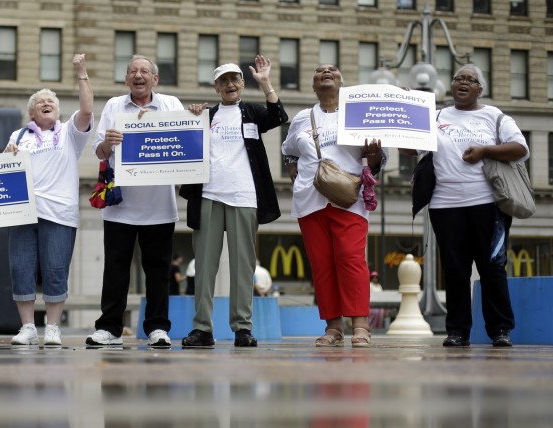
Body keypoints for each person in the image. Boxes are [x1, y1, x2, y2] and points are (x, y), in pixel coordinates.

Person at [408, 64, 526, 348]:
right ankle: (458, 331)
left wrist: (485, 150)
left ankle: (500, 330)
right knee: (455, 270)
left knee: (492, 269)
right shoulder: (436, 116)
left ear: (479, 89)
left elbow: (521, 148)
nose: (463, 82)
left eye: (470, 79)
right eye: (458, 78)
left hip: (488, 205)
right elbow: (410, 149)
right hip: (444, 206)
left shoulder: (493, 116)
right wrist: (405, 115)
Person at [180, 57, 287, 348]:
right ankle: (202, 328)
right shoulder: (206, 115)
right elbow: (184, 143)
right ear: (215, 87)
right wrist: (191, 118)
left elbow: (278, 117)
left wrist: (265, 83)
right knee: (203, 267)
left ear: (242, 84)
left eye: (234, 80)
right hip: (208, 196)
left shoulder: (252, 111)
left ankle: (242, 328)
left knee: (243, 267)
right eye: (223, 81)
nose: (229, 85)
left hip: (244, 196)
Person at [281, 64, 384, 348]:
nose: (326, 72)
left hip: (348, 198)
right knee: (322, 265)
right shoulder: (302, 117)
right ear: (313, 85)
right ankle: (333, 328)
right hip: (309, 200)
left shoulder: (358, 113)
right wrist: (293, 170)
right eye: (319, 71)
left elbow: (375, 159)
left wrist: (373, 156)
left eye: (333, 70)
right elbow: (288, 149)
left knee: (351, 260)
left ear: (342, 82)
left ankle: (360, 327)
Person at [86, 55, 184, 348]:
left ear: (155, 79)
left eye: (144, 71)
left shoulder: (171, 104)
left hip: (160, 206)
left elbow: (184, 142)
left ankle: (157, 329)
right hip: (121, 206)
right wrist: (108, 143)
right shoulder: (114, 105)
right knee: (115, 270)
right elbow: (99, 152)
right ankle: (109, 329)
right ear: (126, 79)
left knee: (158, 271)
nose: (138, 76)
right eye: (132, 71)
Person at [5, 53, 94, 347]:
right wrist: (6, 158)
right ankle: (28, 327)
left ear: (58, 110)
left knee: (56, 269)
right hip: (22, 212)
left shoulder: (70, 132)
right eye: (40, 102)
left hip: (59, 213)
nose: (46, 104)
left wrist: (81, 72)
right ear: (32, 113)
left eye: (51, 102)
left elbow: (86, 109)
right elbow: (5, 171)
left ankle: (53, 327)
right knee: (21, 268)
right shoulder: (19, 135)